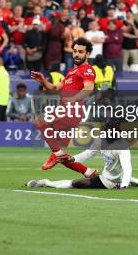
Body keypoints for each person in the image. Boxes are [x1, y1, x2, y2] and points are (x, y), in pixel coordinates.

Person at [30, 38, 97, 176]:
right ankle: (89, 172)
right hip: (68, 113)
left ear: (88, 54)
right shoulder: (72, 72)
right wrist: (43, 80)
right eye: (75, 51)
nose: (77, 54)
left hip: (71, 111)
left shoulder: (87, 69)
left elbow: (88, 88)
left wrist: (72, 99)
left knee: (40, 121)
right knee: (62, 156)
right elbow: (54, 88)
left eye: (81, 52)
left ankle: (58, 153)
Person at [26, 144, 138, 189]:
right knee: (79, 183)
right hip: (107, 177)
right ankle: (126, 181)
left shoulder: (122, 147)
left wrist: (123, 187)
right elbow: (89, 153)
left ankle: (46, 183)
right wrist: (73, 158)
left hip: (110, 181)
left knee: (78, 183)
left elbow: (127, 167)